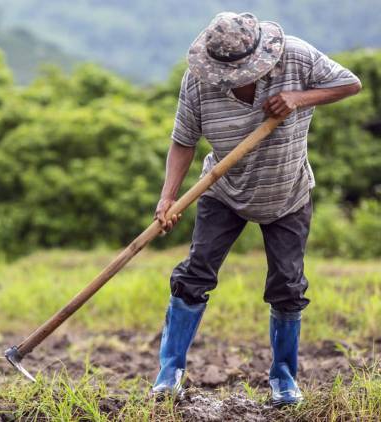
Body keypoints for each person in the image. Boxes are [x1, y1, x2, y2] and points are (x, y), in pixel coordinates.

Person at [152, 12, 361, 406]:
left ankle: (284, 380)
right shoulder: (199, 81)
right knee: (195, 274)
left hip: (288, 192)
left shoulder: (297, 57)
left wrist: (299, 98)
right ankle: (169, 375)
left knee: (287, 285)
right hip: (223, 189)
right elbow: (183, 140)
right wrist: (168, 197)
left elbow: (350, 83)